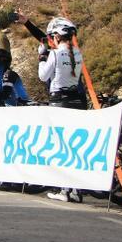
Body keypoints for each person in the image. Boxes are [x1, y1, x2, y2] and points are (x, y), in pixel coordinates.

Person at [37, 17, 84, 202]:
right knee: (73, 146)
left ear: (57, 36)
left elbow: (43, 76)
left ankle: (64, 190)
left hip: (59, 101)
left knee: (62, 147)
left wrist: (41, 56)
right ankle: (76, 190)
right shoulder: (78, 53)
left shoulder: (55, 54)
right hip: (75, 100)